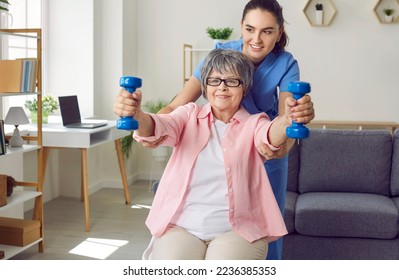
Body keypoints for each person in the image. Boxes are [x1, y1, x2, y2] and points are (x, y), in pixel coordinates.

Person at [113, 0, 315, 260]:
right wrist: (140, 117)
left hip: (259, 144)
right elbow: (175, 109)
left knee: (262, 227)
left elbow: (284, 122)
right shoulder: (216, 61)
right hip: (243, 143)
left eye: (267, 31)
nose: (256, 38)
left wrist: (288, 128)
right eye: (250, 29)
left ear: (279, 33)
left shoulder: (285, 66)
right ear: (241, 27)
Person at [131, 48, 300, 259]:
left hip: (238, 231)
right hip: (181, 227)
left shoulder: (255, 123)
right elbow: (157, 126)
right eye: (214, 80)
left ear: (244, 87)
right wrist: (137, 115)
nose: (222, 87)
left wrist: (286, 120)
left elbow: (269, 136)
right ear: (205, 86)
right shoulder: (187, 115)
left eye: (232, 81)